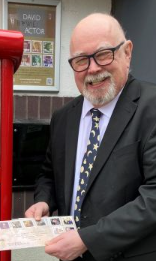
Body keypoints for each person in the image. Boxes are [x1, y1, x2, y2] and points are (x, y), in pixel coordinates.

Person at [25, 13, 156, 261]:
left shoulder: (151, 108)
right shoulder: (63, 117)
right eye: (81, 60)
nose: (93, 68)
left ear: (127, 52)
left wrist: (88, 239)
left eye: (103, 54)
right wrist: (43, 200)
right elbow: (49, 173)